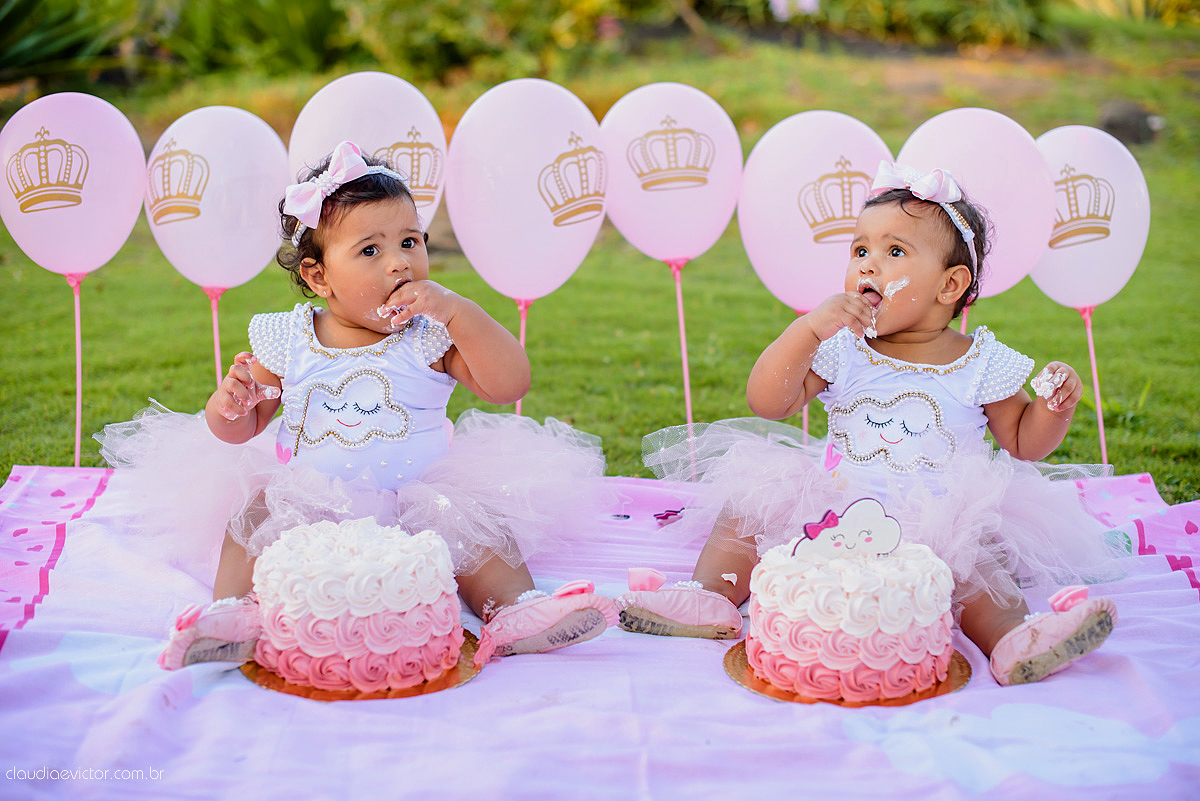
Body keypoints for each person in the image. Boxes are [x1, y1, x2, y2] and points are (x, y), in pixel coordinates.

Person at [99, 141, 615, 671]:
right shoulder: (291, 338)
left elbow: (510, 384)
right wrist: (229, 405)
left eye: (410, 242)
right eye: (370, 251)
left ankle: (515, 612)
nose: (399, 262)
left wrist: (459, 312)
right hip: (312, 499)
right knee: (253, 512)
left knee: (474, 521)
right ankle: (236, 615)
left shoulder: (431, 335)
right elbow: (241, 428)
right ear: (319, 276)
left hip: (420, 498)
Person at [617, 162, 1122, 686]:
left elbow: (1024, 442)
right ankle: (712, 596)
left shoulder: (979, 362)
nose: (868, 267)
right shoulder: (843, 348)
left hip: (938, 521)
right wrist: (808, 329)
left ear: (950, 285)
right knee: (750, 504)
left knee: (974, 569)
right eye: (860, 251)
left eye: (894, 252)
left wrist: (1054, 408)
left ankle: (1016, 637)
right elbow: (768, 401)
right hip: (832, 512)